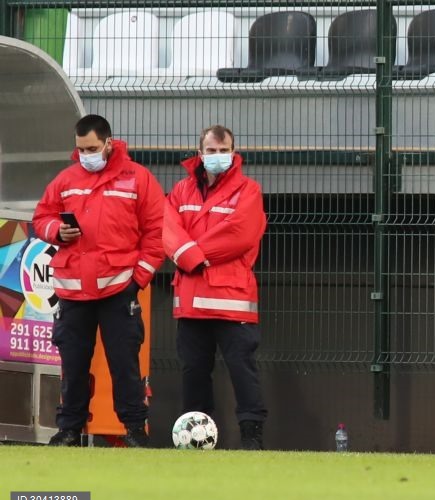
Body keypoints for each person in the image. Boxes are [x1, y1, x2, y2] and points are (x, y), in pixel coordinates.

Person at [33, 114, 165, 448]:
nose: (85, 155)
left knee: (124, 364)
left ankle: (134, 429)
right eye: (80, 149)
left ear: (108, 142)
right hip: (74, 290)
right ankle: (68, 430)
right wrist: (58, 232)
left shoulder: (138, 179)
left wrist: (139, 279)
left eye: (91, 148)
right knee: (73, 365)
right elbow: (42, 218)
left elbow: (156, 232)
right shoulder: (66, 179)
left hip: (119, 288)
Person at [163, 125, 268, 450]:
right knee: (193, 372)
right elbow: (166, 228)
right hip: (193, 301)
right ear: (200, 153)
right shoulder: (181, 191)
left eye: (224, 151)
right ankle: (194, 439)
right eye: (211, 151)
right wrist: (192, 255)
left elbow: (240, 235)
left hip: (232, 300)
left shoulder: (248, 191)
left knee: (242, 371)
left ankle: (252, 437)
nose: (218, 157)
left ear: (234, 154)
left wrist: (191, 254)